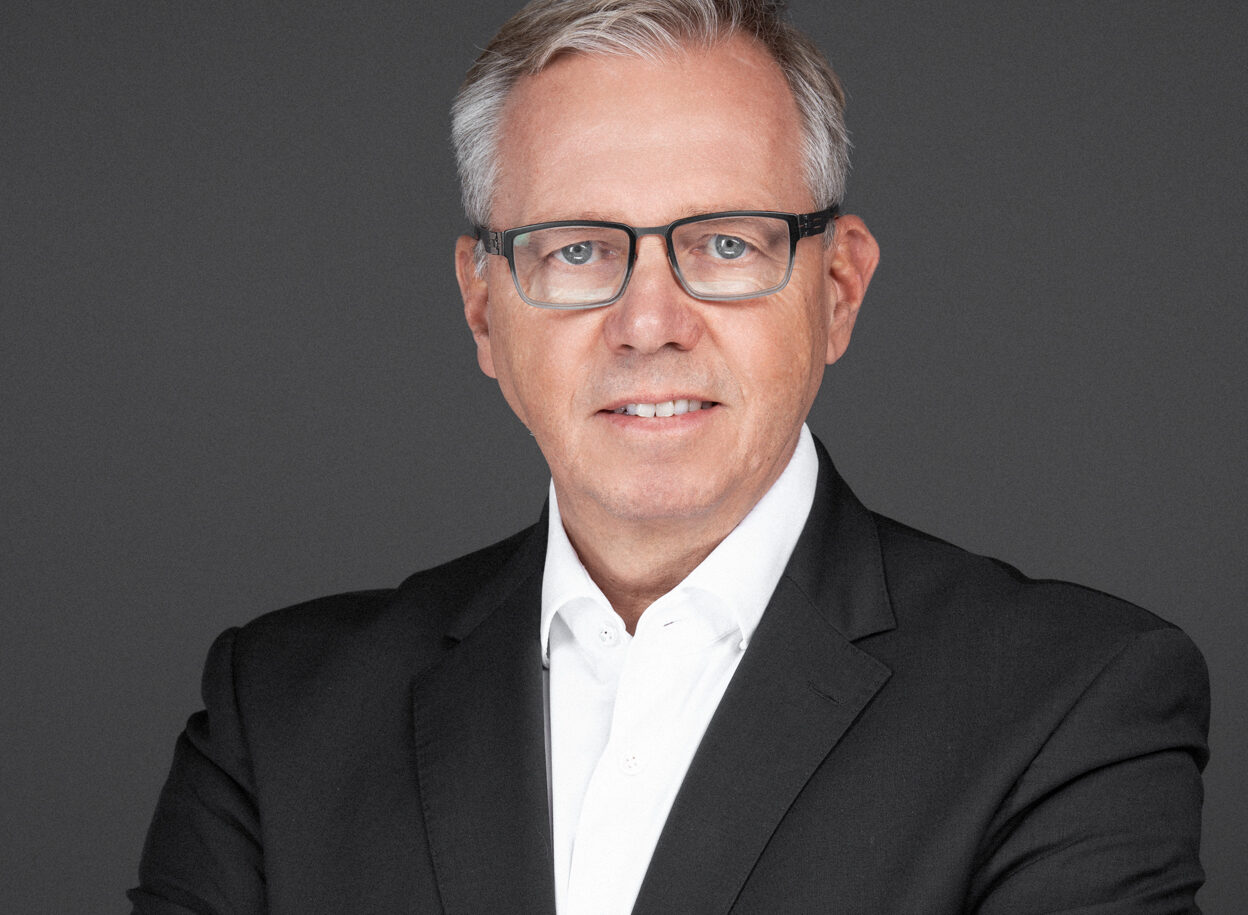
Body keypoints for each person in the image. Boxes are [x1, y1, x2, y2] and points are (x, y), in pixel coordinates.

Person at [129, 1, 1210, 912]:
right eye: (578, 248)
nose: (649, 323)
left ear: (838, 290)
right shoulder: (280, 715)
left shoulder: (1070, 704)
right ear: (483, 307)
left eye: (726, 243)